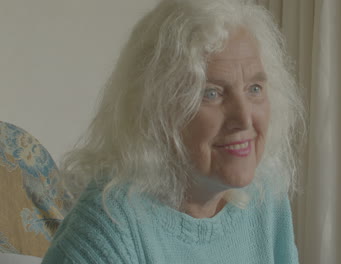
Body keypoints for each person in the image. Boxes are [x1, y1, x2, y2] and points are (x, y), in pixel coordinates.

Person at [42, 0, 303, 263]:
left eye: (254, 89)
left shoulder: (264, 192)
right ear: (158, 110)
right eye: (211, 93)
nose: (244, 118)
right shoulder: (110, 225)